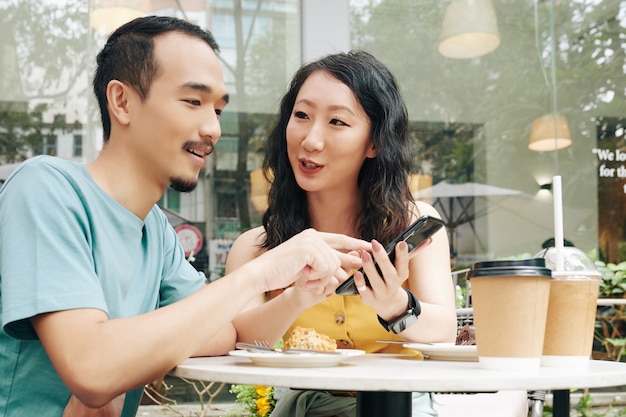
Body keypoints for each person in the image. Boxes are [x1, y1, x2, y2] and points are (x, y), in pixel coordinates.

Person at [0, 16, 372, 417]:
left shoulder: (155, 230)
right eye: (193, 102)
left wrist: (302, 293)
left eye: (217, 109)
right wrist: (261, 272)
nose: (212, 128)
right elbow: (92, 369)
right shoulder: (45, 187)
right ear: (122, 101)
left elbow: (225, 333)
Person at [226, 50, 458, 416]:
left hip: (400, 407)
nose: (311, 140)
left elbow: (444, 331)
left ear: (374, 143)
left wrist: (393, 304)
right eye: (301, 116)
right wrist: (298, 297)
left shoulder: (411, 225)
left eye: (337, 122)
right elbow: (239, 342)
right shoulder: (257, 248)